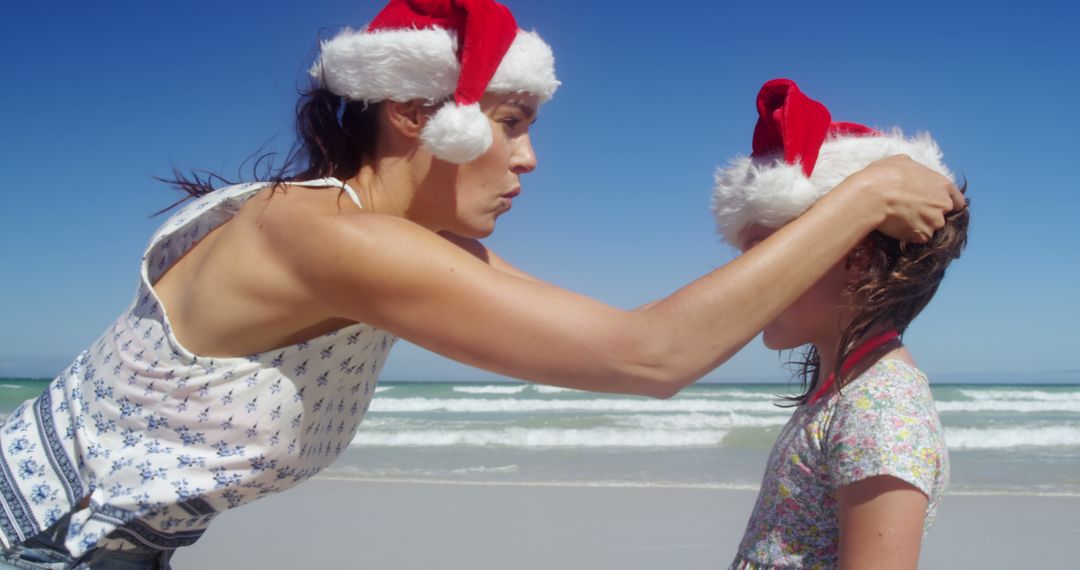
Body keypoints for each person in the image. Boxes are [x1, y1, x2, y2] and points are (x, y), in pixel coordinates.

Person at [0, 1, 963, 567]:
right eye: (509, 122)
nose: (530, 159)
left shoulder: (369, 242)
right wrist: (865, 190)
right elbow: (651, 357)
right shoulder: (327, 237)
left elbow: (632, 332)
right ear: (416, 111)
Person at [716, 79, 967, 569]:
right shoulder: (841, 393)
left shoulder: (880, 407)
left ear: (855, 260)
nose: (741, 281)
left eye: (763, 256)